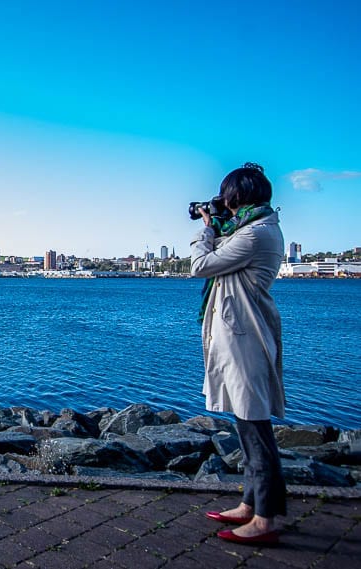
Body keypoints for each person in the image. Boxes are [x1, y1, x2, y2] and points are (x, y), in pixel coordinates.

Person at [190, 162, 286, 545]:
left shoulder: (257, 234)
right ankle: (252, 504)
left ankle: (266, 519)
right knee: (247, 425)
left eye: (227, 198)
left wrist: (207, 228)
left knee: (255, 427)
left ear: (238, 196)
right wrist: (218, 226)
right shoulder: (250, 229)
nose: (224, 205)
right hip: (239, 336)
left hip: (246, 338)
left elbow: (201, 264)